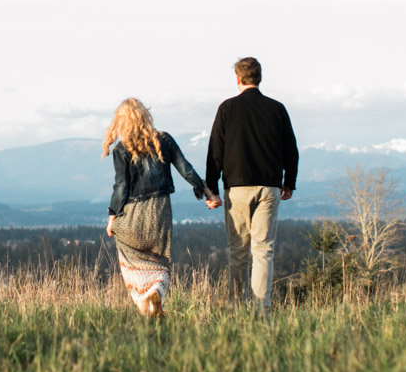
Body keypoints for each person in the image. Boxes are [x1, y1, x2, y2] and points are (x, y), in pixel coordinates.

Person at [203, 57, 299, 315]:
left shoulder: (227, 109)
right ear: (260, 77)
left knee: (239, 252)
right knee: (264, 250)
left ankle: (236, 308)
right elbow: (291, 150)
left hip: (236, 189)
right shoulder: (277, 109)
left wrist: (210, 188)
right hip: (269, 188)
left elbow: (215, 152)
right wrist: (289, 182)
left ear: (237, 78)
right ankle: (261, 309)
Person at [103, 97, 210, 318]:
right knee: (160, 260)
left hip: (133, 213)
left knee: (129, 256)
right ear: (145, 116)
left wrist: (112, 218)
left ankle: (144, 300)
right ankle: (155, 292)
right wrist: (204, 190)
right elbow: (186, 169)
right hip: (160, 212)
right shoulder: (165, 140)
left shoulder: (121, 149)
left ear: (121, 122)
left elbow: (121, 187)